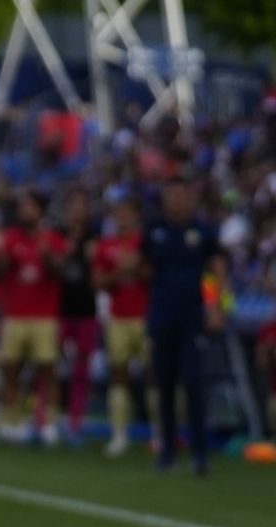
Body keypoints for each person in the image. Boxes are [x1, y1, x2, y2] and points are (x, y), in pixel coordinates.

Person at [141, 177, 227, 475]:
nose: (176, 201)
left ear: (190, 199)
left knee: (193, 382)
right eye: (172, 195)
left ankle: (199, 454)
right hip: (161, 314)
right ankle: (167, 451)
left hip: (192, 316)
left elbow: (215, 270)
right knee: (164, 385)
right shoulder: (154, 231)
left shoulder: (202, 232)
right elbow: (143, 269)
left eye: (181, 195)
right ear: (165, 200)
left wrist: (216, 307)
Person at [0, 191, 69, 444]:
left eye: (30, 206)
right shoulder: (11, 238)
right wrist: (3, 257)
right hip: (15, 315)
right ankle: (11, 421)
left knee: (48, 371)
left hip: (44, 316)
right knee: (11, 370)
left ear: (40, 211)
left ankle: (48, 424)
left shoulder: (52, 239)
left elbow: (61, 271)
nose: (25, 211)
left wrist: (48, 258)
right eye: (23, 207)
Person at [92, 197, 151, 456]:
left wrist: (136, 267)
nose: (122, 218)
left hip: (146, 316)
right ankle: (119, 435)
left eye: (127, 213)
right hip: (117, 317)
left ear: (137, 216)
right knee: (119, 374)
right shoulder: (106, 246)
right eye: (118, 213)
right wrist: (120, 271)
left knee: (154, 375)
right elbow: (97, 283)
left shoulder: (146, 243)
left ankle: (160, 435)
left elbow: (154, 276)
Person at [58, 189, 102, 443]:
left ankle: (76, 420)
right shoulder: (57, 236)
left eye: (82, 205)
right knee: (48, 365)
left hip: (86, 310)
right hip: (59, 309)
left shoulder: (95, 238)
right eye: (74, 205)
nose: (78, 210)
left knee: (82, 369)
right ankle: (45, 418)